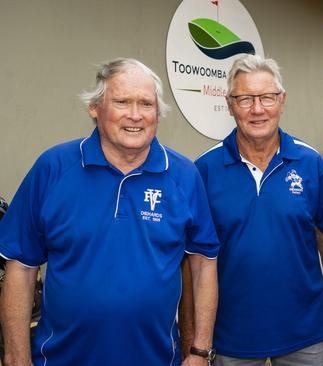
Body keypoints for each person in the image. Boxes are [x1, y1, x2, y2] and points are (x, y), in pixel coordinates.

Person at [0, 58, 220, 366]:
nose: (135, 115)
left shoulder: (184, 175)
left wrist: (199, 352)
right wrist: (16, 358)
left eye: (146, 104)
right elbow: (20, 268)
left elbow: (204, 264)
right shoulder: (53, 168)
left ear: (158, 114)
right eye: (122, 102)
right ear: (95, 108)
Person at [180, 54, 323, 366]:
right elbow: (192, 263)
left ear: (282, 101)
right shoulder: (203, 169)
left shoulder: (310, 163)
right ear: (229, 104)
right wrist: (192, 340)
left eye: (267, 97)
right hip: (230, 338)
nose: (257, 109)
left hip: (304, 334)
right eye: (245, 98)